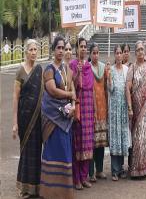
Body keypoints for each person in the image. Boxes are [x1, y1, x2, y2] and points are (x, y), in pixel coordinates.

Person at [39, 36, 75, 199]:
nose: (61, 50)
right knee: (53, 152)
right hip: (52, 118)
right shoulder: (49, 69)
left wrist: (73, 105)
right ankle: (49, 192)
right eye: (59, 48)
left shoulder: (67, 69)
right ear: (54, 50)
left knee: (65, 153)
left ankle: (64, 192)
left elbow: (73, 90)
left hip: (65, 118)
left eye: (63, 48)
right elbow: (52, 91)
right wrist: (69, 95)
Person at [12, 39, 43, 198]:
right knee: (25, 153)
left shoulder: (40, 70)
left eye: (35, 50)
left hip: (37, 119)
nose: (33, 52)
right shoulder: (20, 71)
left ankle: (36, 187)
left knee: (37, 152)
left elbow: (44, 95)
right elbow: (16, 97)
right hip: (24, 119)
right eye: (30, 50)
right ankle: (24, 187)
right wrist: (15, 123)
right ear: (26, 52)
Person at [69, 38, 95, 190]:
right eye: (81, 47)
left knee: (87, 143)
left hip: (88, 107)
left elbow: (90, 87)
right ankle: (76, 178)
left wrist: (94, 110)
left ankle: (84, 177)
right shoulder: (73, 65)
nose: (83, 49)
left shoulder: (89, 66)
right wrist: (76, 73)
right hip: (78, 108)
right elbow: (73, 86)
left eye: (85, 47)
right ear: (76, 49)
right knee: (77, 144)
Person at [127, 41, 146, 178]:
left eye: (142, 49)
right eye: (138, 50)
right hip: (136, 110)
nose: (141, 52)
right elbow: (128, 88)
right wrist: (130, 107)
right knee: (137, 139)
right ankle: (136, 169)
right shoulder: (132, 67)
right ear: (135, 53)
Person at [108, 44, 131, 181]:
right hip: (114, 110)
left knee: (122, 138)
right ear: (114, 54)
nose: (118, 55)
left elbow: (128, 88)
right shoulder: (110, 70)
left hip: (123, 109)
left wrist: (128, 108)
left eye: (120, 53)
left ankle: (121, 168)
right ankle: (114, 170)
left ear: (123, 55)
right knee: (115, 138)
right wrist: (109, 78)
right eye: (116, 53)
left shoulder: (126, 69)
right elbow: (110, 90)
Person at [88, 43, 109, 182]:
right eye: (93, 53)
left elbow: (107, 87)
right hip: (91, 109)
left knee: (100, 143)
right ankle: (91, 172)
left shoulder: (103, 68)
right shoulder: (86, 68)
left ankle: (100, 170)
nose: (95, 55)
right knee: (92, 142)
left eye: (97, 52)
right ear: (90, 54)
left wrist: (109, 71)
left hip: (102, 109)